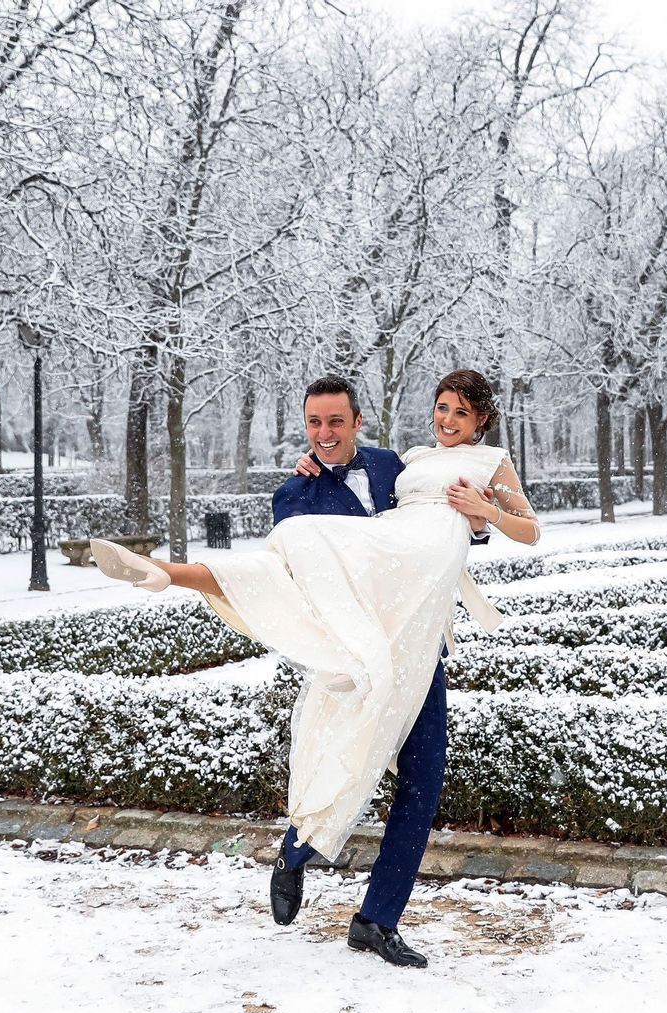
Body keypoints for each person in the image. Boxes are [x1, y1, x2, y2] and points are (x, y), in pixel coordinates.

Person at [91, 370, 540, 969]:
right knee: (343, 750)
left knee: (422, 782)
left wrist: (481, 512)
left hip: (416, 637)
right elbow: (296, 576)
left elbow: (473, 527)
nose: (325, 434)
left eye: (336, 421)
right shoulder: (296, 495)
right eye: (314, 424)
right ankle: (294, 850)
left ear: (358, 422)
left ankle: (377, 921)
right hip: (350, 645)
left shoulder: (394, 465)